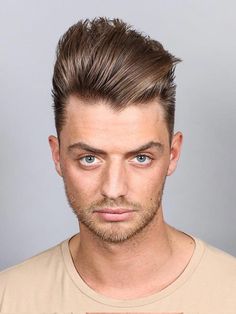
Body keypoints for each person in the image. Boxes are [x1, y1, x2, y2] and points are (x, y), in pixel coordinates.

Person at [0, 17, 236, 313]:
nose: (114, 189)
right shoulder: (9, 298)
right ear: (57, 156)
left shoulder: (230, 293)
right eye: (89, 159)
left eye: (140, 158)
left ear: (173, 154)